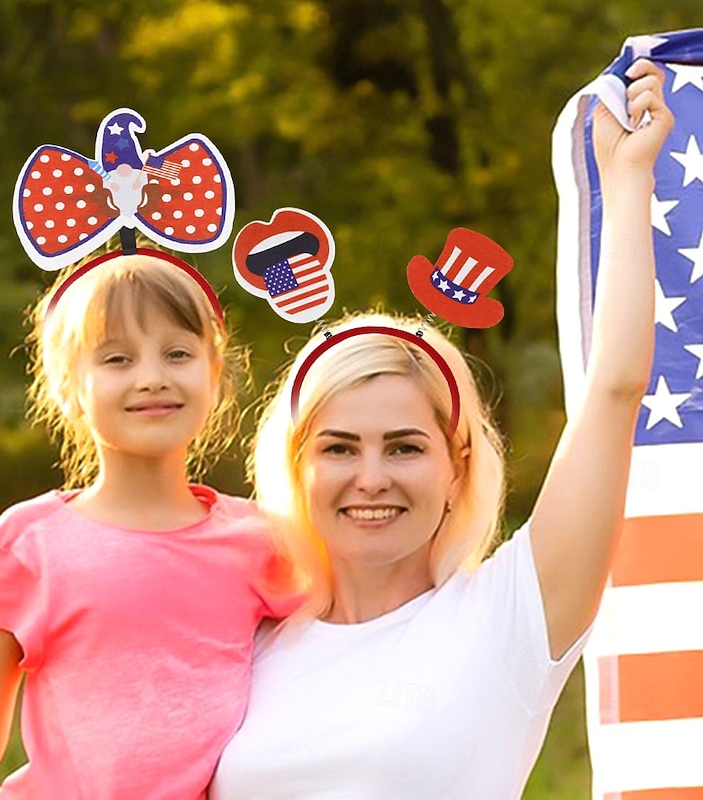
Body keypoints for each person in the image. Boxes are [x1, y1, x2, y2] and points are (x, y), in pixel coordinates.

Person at [210, 58, 672, 799]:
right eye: (338, 447)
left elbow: (614, 393)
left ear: (457, 466)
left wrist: (627, 184)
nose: (372, 477)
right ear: (296, 466)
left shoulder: (511, 616)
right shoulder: (245, 641)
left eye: (404, 446)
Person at [0, 251, 297, 800]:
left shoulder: (264, 541)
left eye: (177, 354)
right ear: (68, 387)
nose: (151, 378)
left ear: (214, 376)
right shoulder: (30, 543)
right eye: (118, 359)